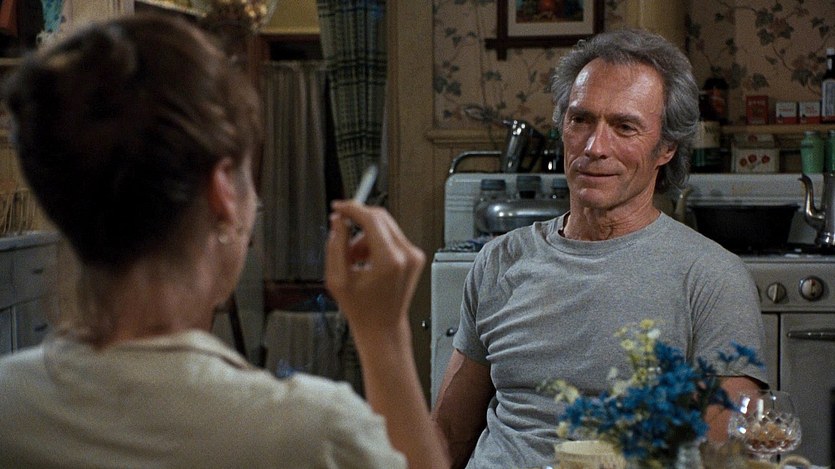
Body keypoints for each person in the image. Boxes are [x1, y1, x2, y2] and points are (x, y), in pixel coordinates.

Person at [0, 13, 448, 469]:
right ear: (223, 192)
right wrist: (384, 336)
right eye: (249, 176)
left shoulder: (9, 405)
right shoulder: (313, 434)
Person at [431, 28, 767, 469]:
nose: (594, 147)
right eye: (581, 120)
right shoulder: (500, 261)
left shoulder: (711, 277)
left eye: (624, 127)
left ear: (666, 147)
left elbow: (726, 456)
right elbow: (447, 437)